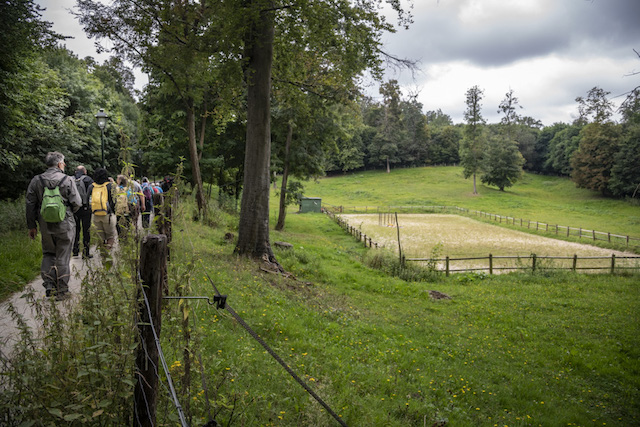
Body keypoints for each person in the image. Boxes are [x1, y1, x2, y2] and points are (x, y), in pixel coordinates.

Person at [25, 152, 81, 301]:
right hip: (65, 223)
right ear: (59, 164)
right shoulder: (67, 179)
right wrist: (67, 212)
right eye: (63, 163)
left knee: (48, 253)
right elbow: (77, 202)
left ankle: (49, 285)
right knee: (63, 255)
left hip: (44, 223)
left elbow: (30, 204)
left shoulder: (36, 180)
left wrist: (32, 225)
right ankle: (62, 290)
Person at [90, 168, 117, 249]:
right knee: (110, 236)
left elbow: (86, 200)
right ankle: (108, 254)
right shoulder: (110, 185)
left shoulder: (91, 186)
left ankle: (103, 255)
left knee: (100, 237)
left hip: (95, 215)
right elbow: (114, 201)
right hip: (107, 215)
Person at [73, 165, 94, 259]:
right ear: (84, 171)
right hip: (85, 208)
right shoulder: (88, 180)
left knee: (75, 230)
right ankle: (86, 252)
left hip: (74, 209)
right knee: (86, 230)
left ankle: (75, 250)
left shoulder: (70, 179)